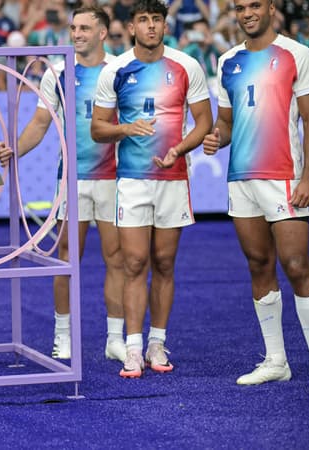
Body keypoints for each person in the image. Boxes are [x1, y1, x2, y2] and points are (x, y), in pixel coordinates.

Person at [0, 6, 126, 363]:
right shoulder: (57, 73)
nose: (77, 33)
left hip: (115, 179)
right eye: (73, 27)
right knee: (67, 258)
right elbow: (40, 123)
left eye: (85, 27)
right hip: (72, 179)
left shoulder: (120, 69)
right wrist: (14, 150)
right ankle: (63, 337)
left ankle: (115, 338)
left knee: (117, 259)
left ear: (102, 32)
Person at [91, 0, 212, 378]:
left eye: (156, 19)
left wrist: (179, 148)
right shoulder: (115, 70)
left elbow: (204, 121)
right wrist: (126, 129)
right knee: (133, 263)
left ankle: (156, 342)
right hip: (131, 180)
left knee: (164, 262)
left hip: (173, 180)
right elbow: (98, 128)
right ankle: (132, 347)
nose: (150, 26)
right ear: (131, 27)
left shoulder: (186, 66)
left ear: (164, 24)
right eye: (143, 20)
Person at [202, 0, 309, 396]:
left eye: (254, 5)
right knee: (258, 264)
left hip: (285, 176)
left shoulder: (297, 54)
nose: (247, 12)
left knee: (298, 265)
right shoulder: (227, 61)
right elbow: (227, 123)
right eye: (240, 7)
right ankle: (276, 361)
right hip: (241, 178)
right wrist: (217, 137)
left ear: (270, 8)